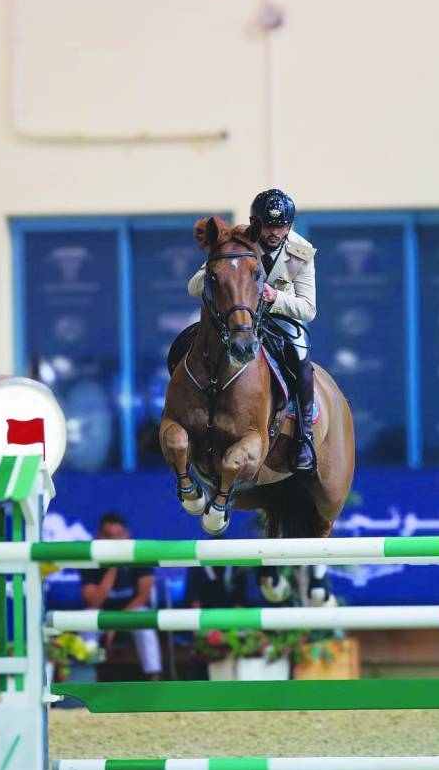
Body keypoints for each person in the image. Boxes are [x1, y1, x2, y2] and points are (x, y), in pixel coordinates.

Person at [187, 188, 319, 473]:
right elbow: (194, 286)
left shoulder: (301, 252)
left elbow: (308, 309)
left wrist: (275, 297)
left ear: (290, 225)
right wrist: (219, 275)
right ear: (256, 223)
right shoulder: (237, 241)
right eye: (268, 225)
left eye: (281, 225)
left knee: (301, 358)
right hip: (236, 318)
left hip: (276, 320)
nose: (274, 232)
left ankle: (304, 436)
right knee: (191, 346)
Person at [80, 512, 162, 681]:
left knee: (144, 619)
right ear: (98, 537)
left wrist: (114, 625)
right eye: (108, 536)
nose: (113, 542)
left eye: (118, 536)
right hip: (102, 613)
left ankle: (154, 678)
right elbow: (94, 601)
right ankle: (88, 678)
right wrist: (113, 566)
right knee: (87, 619)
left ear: (127, 535)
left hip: (131, 612)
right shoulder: (89, 558)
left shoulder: (140, 554)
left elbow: (143, 597)